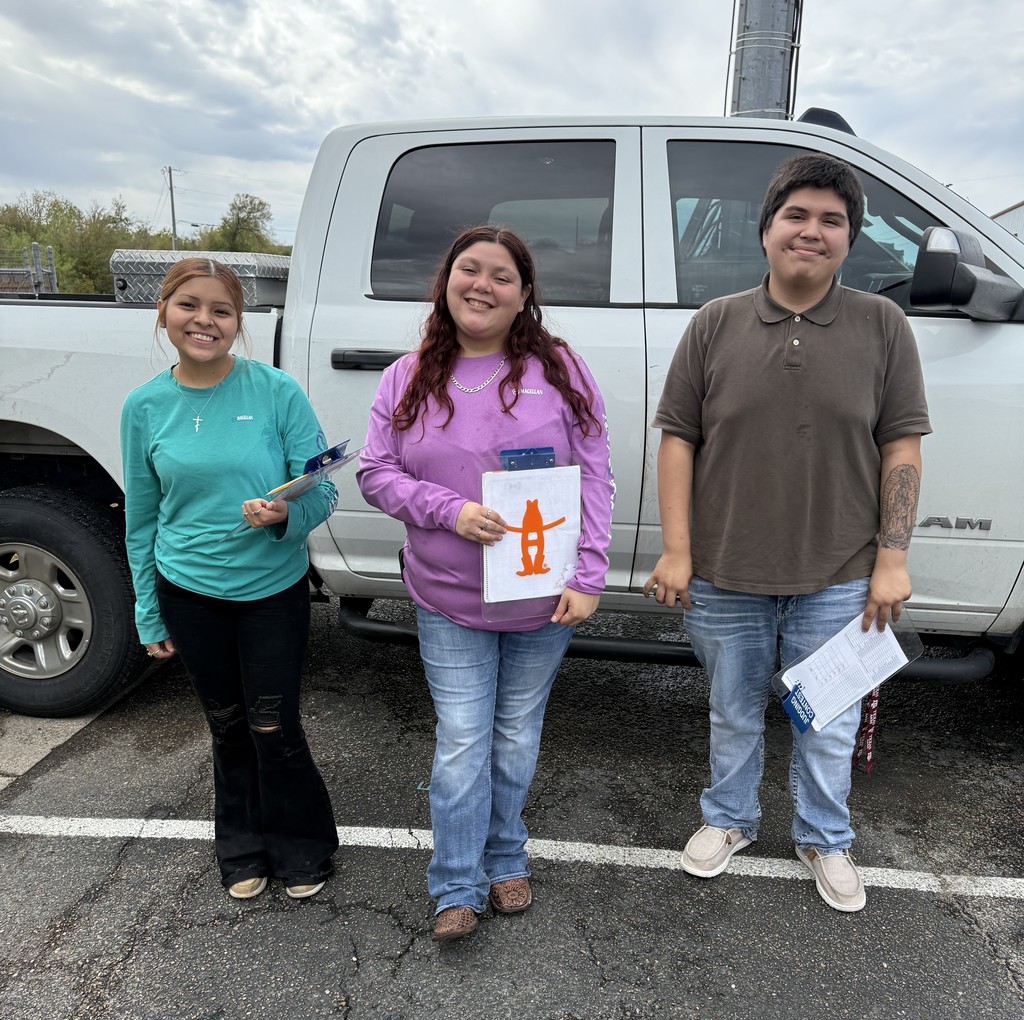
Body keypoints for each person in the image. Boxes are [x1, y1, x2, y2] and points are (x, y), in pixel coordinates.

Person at [644, 153, 932, 912]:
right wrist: (677, 550)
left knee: (825, 720)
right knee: (733, 710)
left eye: (831, 221)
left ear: (849, 240)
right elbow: (678, 437)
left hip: (839, 574)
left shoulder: (883, 326)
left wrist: (892, 559)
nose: (812, 231)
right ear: (766, 229)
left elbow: (901, 444)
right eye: (796, 215)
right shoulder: (715, 323)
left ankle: (822, 837)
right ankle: (729, 820)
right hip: (723, 572)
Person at [358, 225, 615, 941]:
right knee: (466, 739)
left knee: (514, 735)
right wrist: (450, 510)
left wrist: (589, 572)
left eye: (502, 275)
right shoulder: (407, 376)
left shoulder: (561, 369)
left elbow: (596, 473)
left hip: (541, 597)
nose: (483, 285)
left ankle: (506, 856)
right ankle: (456, 883)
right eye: (468, 269)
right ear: (446, 280)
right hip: (449, 598)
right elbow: (376, 473)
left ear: (525, 294)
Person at [120, 257, 339, 902]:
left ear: (239, 323)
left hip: (271, 592)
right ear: (163, 312)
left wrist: (284, 515)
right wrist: (147, 611)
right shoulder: (145, 406)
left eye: (220, 310)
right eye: (189, 305)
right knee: (226, 724)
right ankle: (240, 846)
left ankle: (303, 844)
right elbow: (141, 516)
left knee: (273, 724)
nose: (204, 320)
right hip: (187, 591)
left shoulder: (276, 392)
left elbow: (321, 493)